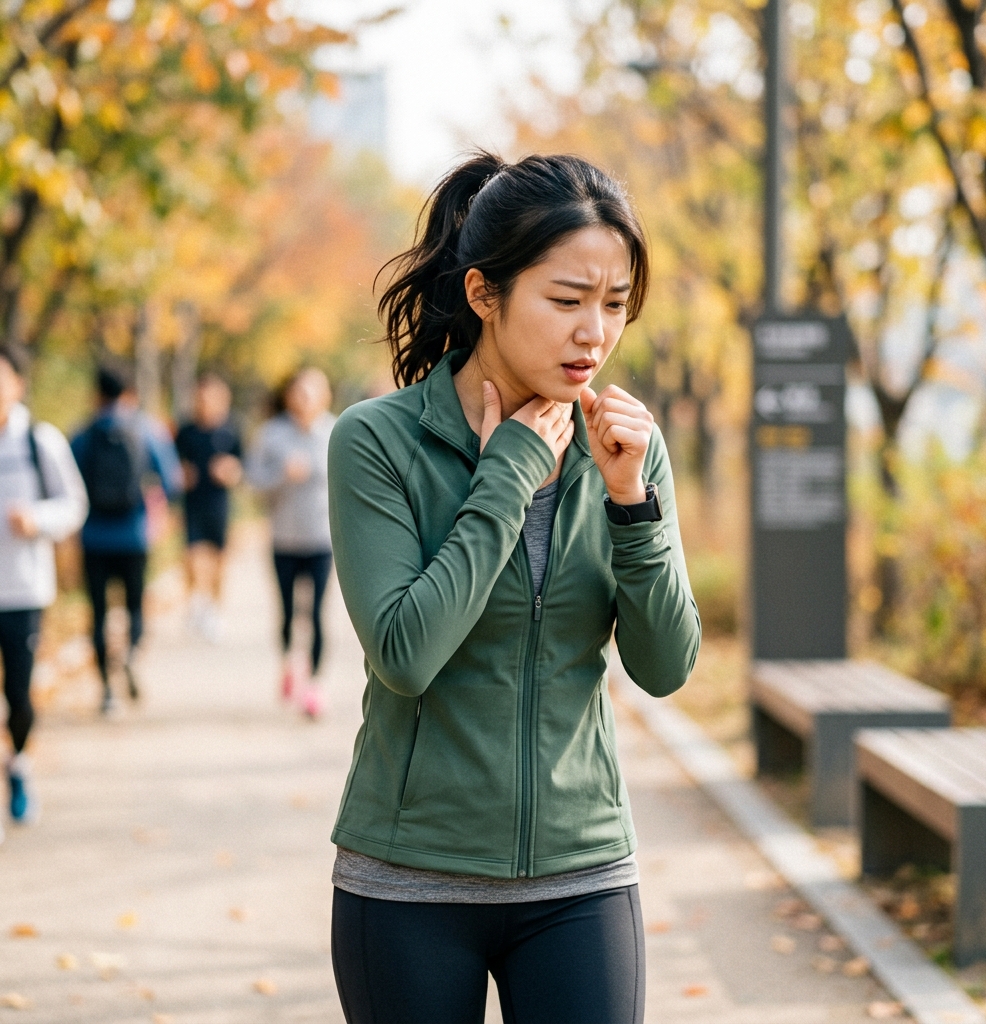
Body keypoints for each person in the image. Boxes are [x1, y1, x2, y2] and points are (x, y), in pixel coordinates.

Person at [326, 153, 701, 1024]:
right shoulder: (378, 443)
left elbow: (666, 667)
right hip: (409, 881)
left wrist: (631, 502)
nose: (594, 334)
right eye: (567, 301)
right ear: (484, 294)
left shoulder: (626, 448)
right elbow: (405, 655)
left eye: (615, 305)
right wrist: (507, 476)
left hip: (582, 874)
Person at [0, 345, 88, 835]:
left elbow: (74, 504)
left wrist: (37, 519)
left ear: (18, 383)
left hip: (23, 590)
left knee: (18, 694)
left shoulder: (39, 440)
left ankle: (19, 765)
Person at [72, 366, 181, 715]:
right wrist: (157, 512)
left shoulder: (83, 434)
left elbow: (67, 485)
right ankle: (131, 653)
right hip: (134, 535)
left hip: (93, 536)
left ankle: (106, 690)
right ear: (129, 392)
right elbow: (171, 481)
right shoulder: (147, 430)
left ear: (97, 394)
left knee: (99, 612)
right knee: (134, 606)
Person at [247, 367, 334, 719]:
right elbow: (254, 482)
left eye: (313, 391)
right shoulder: (271, 434)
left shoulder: (336, 431)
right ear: (289, 396)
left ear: (325, 395)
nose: (305, 398)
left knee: (316, 613)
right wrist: (282, 475)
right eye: (300, 391)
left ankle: (313, 686)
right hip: (284, 539)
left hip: (323, 539)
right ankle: (288, 663)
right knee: (286, 613)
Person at [175, 373, 244, 641]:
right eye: (200, 398)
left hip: (219, 503)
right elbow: (173, 465)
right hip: (192, 503)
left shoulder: (230, 430)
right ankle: (197, 602)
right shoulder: (186, 431)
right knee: (191, 556)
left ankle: (215, 610)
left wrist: (230, 472)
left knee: (219, 559)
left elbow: (242, 467)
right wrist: (182, 474)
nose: (204, 403)